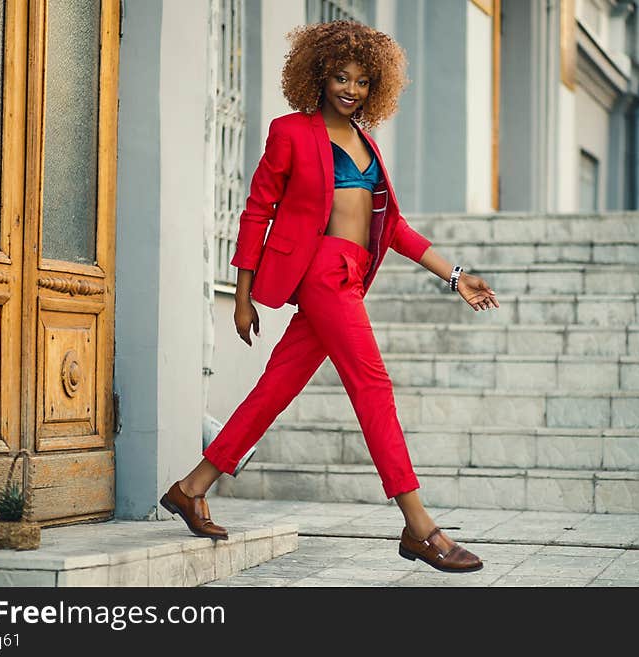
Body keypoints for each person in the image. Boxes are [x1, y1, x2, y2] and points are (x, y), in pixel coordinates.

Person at [159, 20, 499, 574]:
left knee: (275, 387)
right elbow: (257, 210)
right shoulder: (291, 131)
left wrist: (454, 274)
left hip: (350, 276)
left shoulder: (366, 144)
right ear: (318, 75)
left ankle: (191, 487)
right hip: (320, 273)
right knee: (373, 386)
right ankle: (419, 526)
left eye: (362, 81)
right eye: (341, 76)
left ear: (375, 88)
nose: (350, 88)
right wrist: (242, 294)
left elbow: (396, 229)